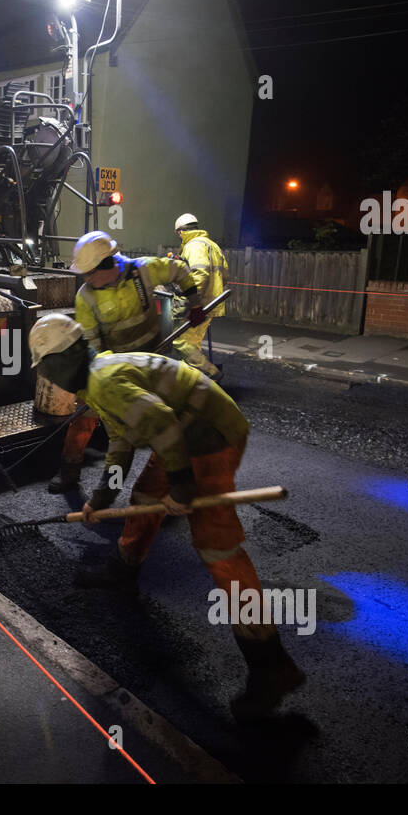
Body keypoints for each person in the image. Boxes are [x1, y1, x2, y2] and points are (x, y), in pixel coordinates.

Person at [29, 312, 306, 720]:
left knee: (218, 548)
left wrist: (182, 487)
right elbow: (121, 443)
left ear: (62, 360)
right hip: (182, 430)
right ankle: (124, 568)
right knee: (144, 495)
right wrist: (101, 500)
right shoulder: (97, 380)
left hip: (209, 435)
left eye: (46, 368)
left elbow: (162, 423)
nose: (48, 378)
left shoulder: (104, 379)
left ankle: (272, 664)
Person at [48, 230, 207, 494]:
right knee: (85, 415)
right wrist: (97, 383)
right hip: (113, 367)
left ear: (108, 264)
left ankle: (165, 489)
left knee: (163, 424)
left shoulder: (143, 271)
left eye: (89, 272)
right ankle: (69, 471)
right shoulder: (86, 297)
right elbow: (91, 344)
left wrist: (195, 302)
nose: (85, 279)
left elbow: (179, 270)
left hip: (152, 363)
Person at [171, 213, 228, 380]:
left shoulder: (193, 246)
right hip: (210, 303)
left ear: (181, 232)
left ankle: (211, 374)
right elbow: (225, 276)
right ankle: (190, 380)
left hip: (197, 305)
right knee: (192, 344)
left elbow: (199, 274)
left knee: (181, 342)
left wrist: (191, 301)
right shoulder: (212, 245)